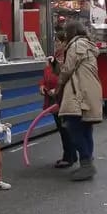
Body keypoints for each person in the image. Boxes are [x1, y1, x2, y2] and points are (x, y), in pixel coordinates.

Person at [58, 20, 102, 181]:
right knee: (86, 127)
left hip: (79, 91)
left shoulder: (76, 45)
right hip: (91, 90)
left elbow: (67, 69)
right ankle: (87, 161)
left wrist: (59, 85)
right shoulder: (89, 45)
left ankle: (86, 164)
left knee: (73, 127)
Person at [42, 38, 77, 169]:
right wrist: (43, 86)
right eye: (55, 41)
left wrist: (56, 89)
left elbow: (65, 78)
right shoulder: (54, 59)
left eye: (60, 41)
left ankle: (69, 157)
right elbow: (47, 76)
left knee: (66, 129)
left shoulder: (68, 58)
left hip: (63, 99)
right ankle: (71, 155)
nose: (56, 44)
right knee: (63, 129)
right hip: (55, 99)